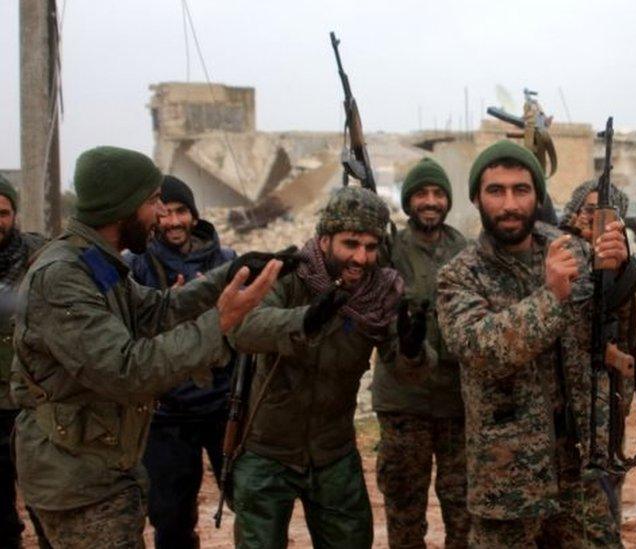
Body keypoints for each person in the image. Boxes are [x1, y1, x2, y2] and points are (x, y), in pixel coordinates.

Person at [10, 146, 281, 548]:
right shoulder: (64, 277)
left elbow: (155, 310)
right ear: (122, 207)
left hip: (102, 467)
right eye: (153, 202)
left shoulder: (95, 261)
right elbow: (128, 371)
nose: (161, 215)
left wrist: (227, 276)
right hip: (79, 481)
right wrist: (220, 321)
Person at [437, 141, 633, 548]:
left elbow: (619, 332)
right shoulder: (458, 276)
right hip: (508, 484)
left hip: (581, 472)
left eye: (520, 190)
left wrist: (623, 270)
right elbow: (482, 351)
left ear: (538, 196)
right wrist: (551, 297)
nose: (509, 203)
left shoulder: (575, 252)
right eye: (496, 190)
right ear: (476, 197)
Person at [229, 186, 434, 549]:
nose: (361, 257)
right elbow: (243, 330)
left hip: (333, 454)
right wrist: (305, 320)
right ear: (324, 240)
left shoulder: (380, 296)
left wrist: (413, 349)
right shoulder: (288, 276)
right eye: (350, 244)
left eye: (371, 248)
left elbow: (405, 372)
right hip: (267, 452)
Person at [124, 175, 237, 549]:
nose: (173, 222)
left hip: (223, 406)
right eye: (165, 212)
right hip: (165, 415)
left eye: (181, 211)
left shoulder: (227, 261)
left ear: (194, 215)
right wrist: (166, 310)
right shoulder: (135, 268)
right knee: (170, 519)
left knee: (252, 503)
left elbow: (246, 330)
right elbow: (124, 337)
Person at [372, 158, 470, 548]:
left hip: (456, 404)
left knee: (463, 511)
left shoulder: (464, 249)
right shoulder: (389, 250)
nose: (430, 201)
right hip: (403, 403)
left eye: (437, 194)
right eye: (421, 194)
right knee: (405, 512)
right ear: (409, 201)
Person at [560, 180, 636, 525]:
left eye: (607, 213)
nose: (595, 219)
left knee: (608, 493)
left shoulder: (629, 268)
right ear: (574, 214)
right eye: (589, 210)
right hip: (568, 405)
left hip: (614, 400)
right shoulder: (560, 254)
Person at [0, 175, 50, 548]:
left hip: (31, 402)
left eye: (2, 212)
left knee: (46, 502)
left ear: (14, 214)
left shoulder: (40, 254)